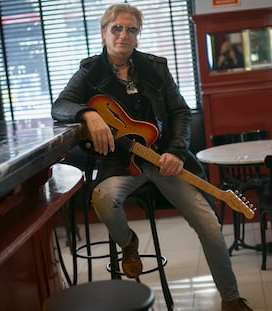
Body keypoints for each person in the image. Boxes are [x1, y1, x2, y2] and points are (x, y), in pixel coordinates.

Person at [52, 3, 252, 311]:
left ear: (137, 35)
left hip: (163, 161)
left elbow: (180, 112)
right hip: (119, 164)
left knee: (209, 225)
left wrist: (175, 151)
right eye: (116, 28)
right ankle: (128, 244)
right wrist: (87, 113)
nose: (123, 35)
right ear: (104, 32)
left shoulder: (156, 68)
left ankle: (230, 298)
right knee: (103, 199)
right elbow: (61, 104)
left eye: (131, 29)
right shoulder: (89, 70)